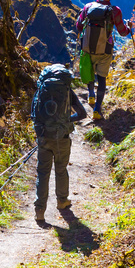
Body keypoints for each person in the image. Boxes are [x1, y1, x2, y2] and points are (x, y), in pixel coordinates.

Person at [31, 64, 87, 222]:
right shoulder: (67, 91)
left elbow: (34, 114)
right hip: (61, 138)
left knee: (43, 173)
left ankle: (39, 210)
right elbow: (82, 114)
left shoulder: (42, 90)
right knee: (61, 170)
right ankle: (62, 201)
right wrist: (64, 121)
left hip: (43, 137)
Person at [76, 0, 132, 120]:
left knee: (89, 71)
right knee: (101, 78)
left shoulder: (88, 7)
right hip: (105, 49)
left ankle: (90, 95)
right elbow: (122, 32)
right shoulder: (115, 11)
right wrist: (129, 27)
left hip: (87, 47)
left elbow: (78, 26)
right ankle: (97, 109)